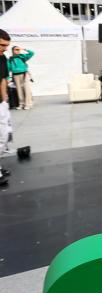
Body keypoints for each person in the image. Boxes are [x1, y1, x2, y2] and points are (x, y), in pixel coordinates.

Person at [0, 29, 12, 184]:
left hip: (0, 103)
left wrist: (4, 99)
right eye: (2, 45)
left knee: (3, 136)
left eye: (6, 46)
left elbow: (2, 78)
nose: (5, 48)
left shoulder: (2, 58)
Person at [8, 46, 34, 110]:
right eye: (16, 49)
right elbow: (8, 68)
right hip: (15, 75)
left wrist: (24, 49)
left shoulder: (22, 56)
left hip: (24, 74)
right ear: (12, 50)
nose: (17, 51)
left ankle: (28, 104)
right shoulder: (10, 59)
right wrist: (8, 78)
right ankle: (21, 104)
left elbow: (32, 53)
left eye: (18, 49)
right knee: (19, 90)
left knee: (26, 89)